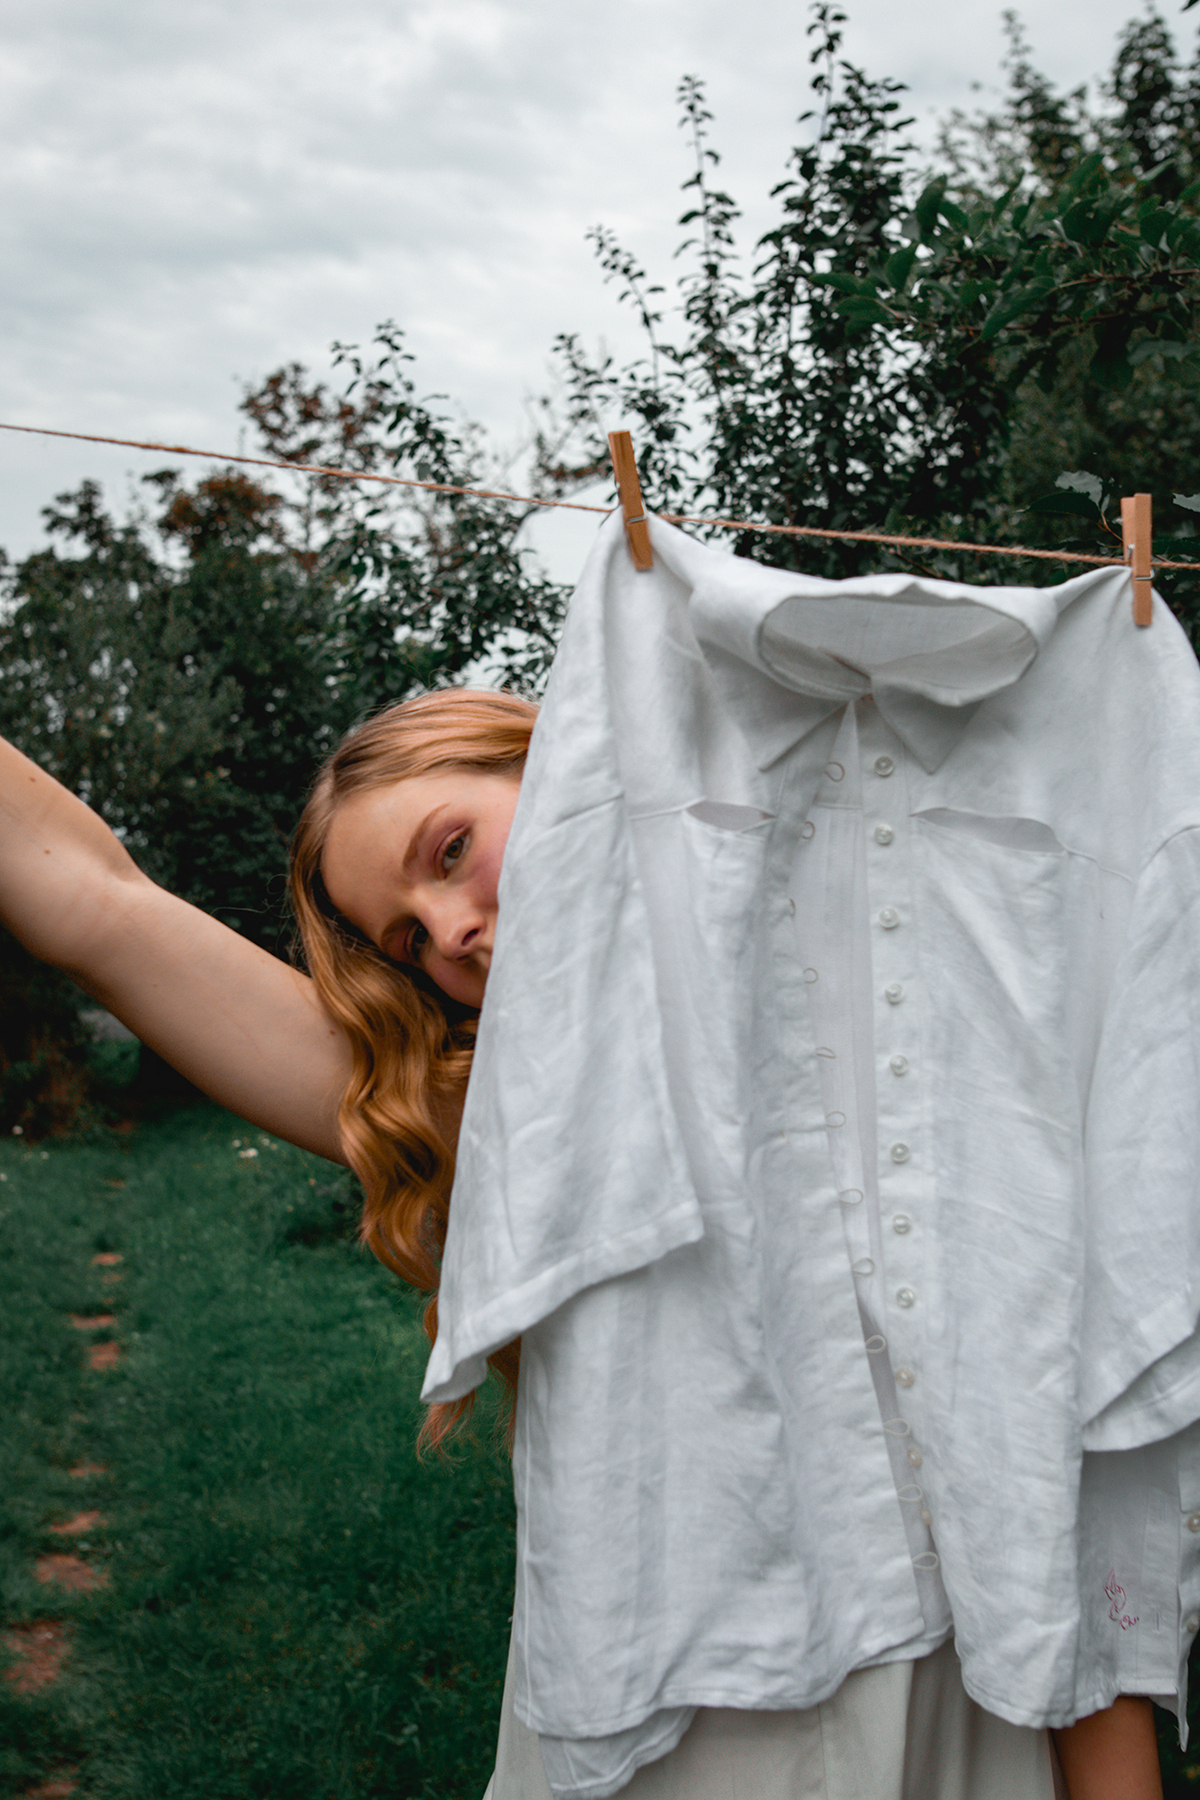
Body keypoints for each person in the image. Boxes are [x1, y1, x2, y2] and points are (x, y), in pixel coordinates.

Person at [0, 687, 1166, 1799]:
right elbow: (100, 900)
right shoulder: (508, 1120)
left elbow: (1065, 1469)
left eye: (449, 849)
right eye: (406, 940)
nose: (448, 928)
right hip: (664, 1733)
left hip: (946, 1713)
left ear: (556, 761)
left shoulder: (916, 1042)